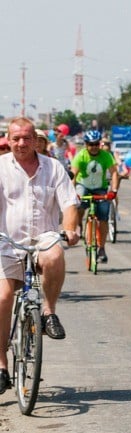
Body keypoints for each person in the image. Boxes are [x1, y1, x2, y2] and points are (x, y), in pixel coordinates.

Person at [0, 118, 80, 393]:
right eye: (16, 138)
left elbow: (69, 202)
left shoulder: (53, 167)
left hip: (44, 235)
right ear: (8, 140)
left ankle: (48, 312)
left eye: (26, 138)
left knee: (55, 254)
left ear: (35, 139)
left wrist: (70, 228)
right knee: (2, 298)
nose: (21, 143)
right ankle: (1, 366)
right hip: (7, 241)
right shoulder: (1, 168)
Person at [72, 130, 120, 263]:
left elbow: (114, 173)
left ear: (100, 144)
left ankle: (102, 248)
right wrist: (72, 191)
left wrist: (114, 191)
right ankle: (79, 225)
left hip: (100, 189)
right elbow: (74, 174)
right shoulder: (81, 155)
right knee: (78, 202)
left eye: (96, 144)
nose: (93, 147)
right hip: (84, 186)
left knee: (103, 218)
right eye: (90, 144)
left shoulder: (106, 156)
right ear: (86, 144)